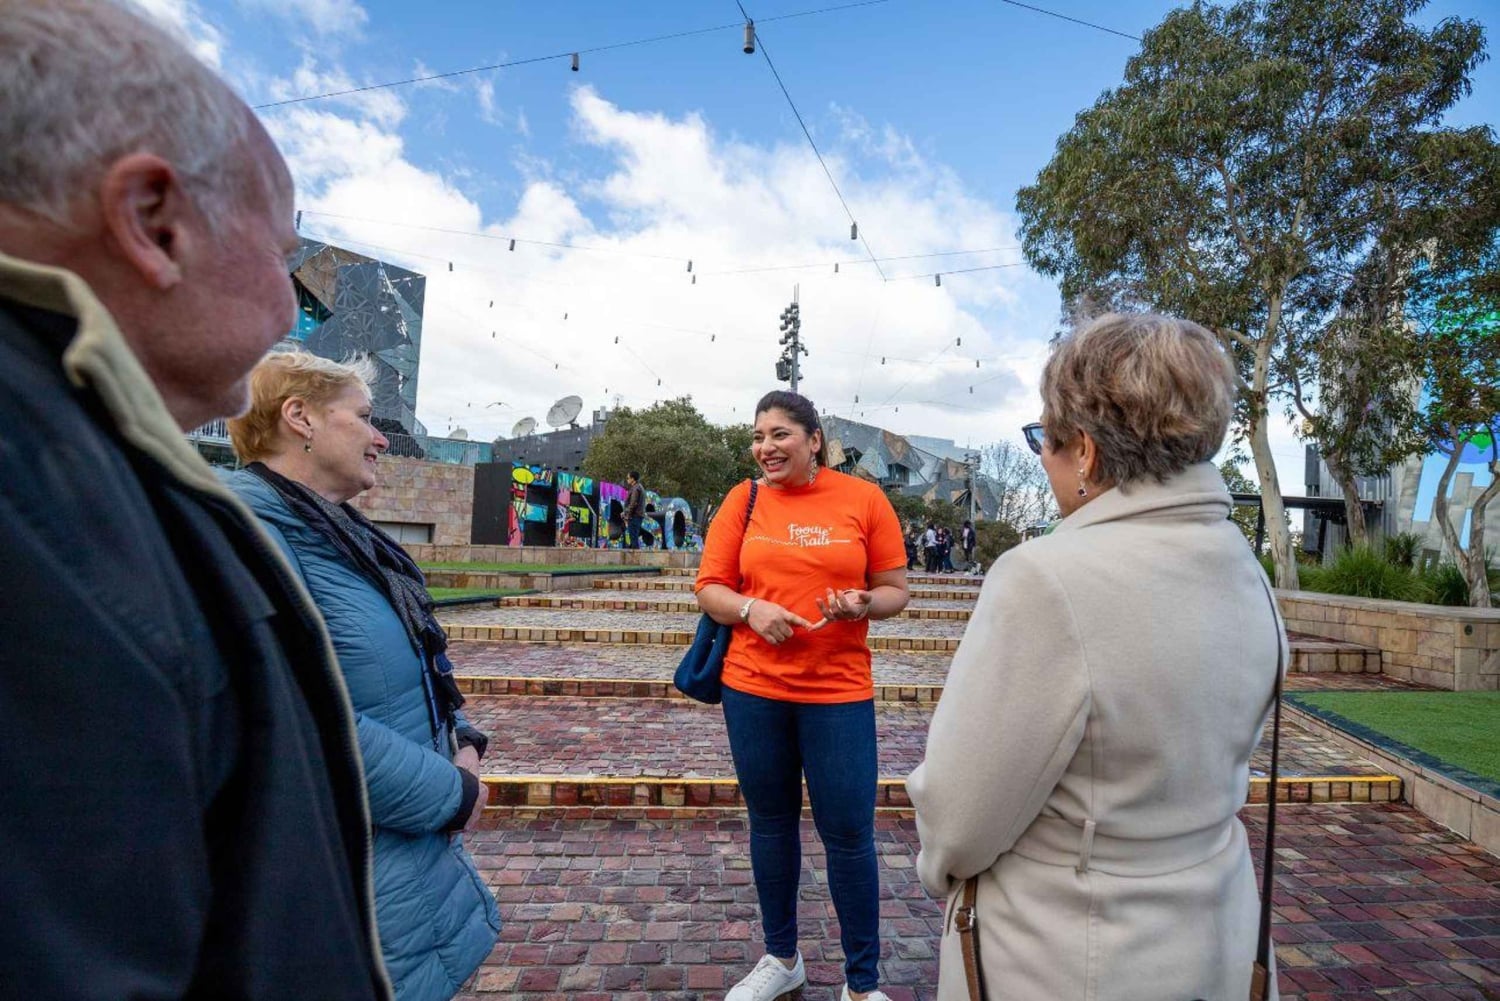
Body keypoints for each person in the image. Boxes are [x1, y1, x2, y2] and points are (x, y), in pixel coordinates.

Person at [0, 2, 390, 996]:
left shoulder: (78, 462)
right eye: (285, 256)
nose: (292, 307)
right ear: (153, 224)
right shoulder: (40, 500)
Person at [907, 313, 1284, 1000]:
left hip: (1072, 950)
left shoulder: (1044, 578)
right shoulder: (1243, 566)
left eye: (1042, 439)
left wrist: (941, 869)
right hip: (1222, 932)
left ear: (1084, 451)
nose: (1043, 458)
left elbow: (961, 815)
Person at [225, 353, 501, 1001]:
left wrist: (462, 734)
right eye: (366, 417)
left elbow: (407, 661)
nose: (381, 437)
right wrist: (451, 792)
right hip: (339, 881)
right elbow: (293, 718)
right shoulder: (248, 533)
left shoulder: (342, 535)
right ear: (300, 418)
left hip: (396, 872)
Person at [695, 390, 911, 1001]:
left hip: (839, 692)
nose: (766, 446)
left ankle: (862, 984)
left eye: (781, 434)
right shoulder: (745, 499)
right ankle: (782, 956)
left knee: (848, 833)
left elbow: (895, 587)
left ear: (814, 440)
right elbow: (709, 587)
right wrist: (749, 608)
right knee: (770, 824)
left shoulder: (864, 499)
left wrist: (865, 603)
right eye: (759, 436)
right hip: (753, 689)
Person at [624, 470, 646, 549]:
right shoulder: (639, 487)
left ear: (633, 479)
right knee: (634, 537)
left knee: (633, 538)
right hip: (637, 515)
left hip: (634, 516)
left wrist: (627, 516)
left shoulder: (636, 488)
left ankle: (635, 559)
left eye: (628, 478)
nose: (627, 480)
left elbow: (633, 504)